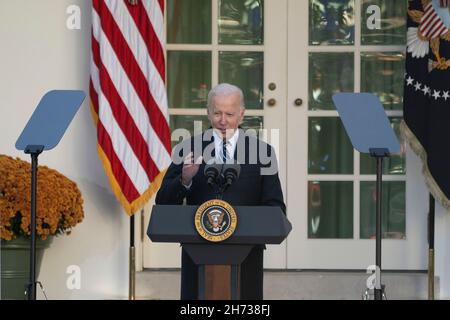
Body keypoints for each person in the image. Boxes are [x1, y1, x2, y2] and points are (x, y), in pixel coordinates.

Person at [155, 83, 285, 300]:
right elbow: (164, 202)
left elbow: (275, 206)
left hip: (246, 256)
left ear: (241, 115)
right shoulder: (188, 148)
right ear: (208, 112)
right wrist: (184, 179)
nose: (223, 120)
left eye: (229, 114)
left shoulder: (263, 152)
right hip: (197, 253)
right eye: (217, 113)